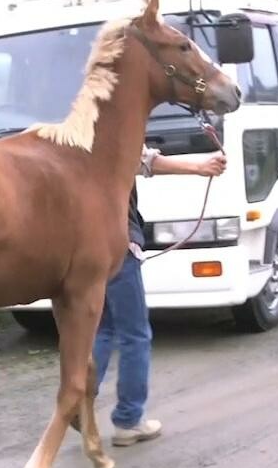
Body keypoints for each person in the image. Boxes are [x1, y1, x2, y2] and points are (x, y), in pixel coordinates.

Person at [93, 144, 226, 446]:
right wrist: (201, 167)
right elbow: (145, 160)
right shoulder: (113, 130)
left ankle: (78, 404)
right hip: (119, 246)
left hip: (88, 248)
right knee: (135, 335)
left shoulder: (74, 131)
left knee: (102, 330)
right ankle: (129, 421)